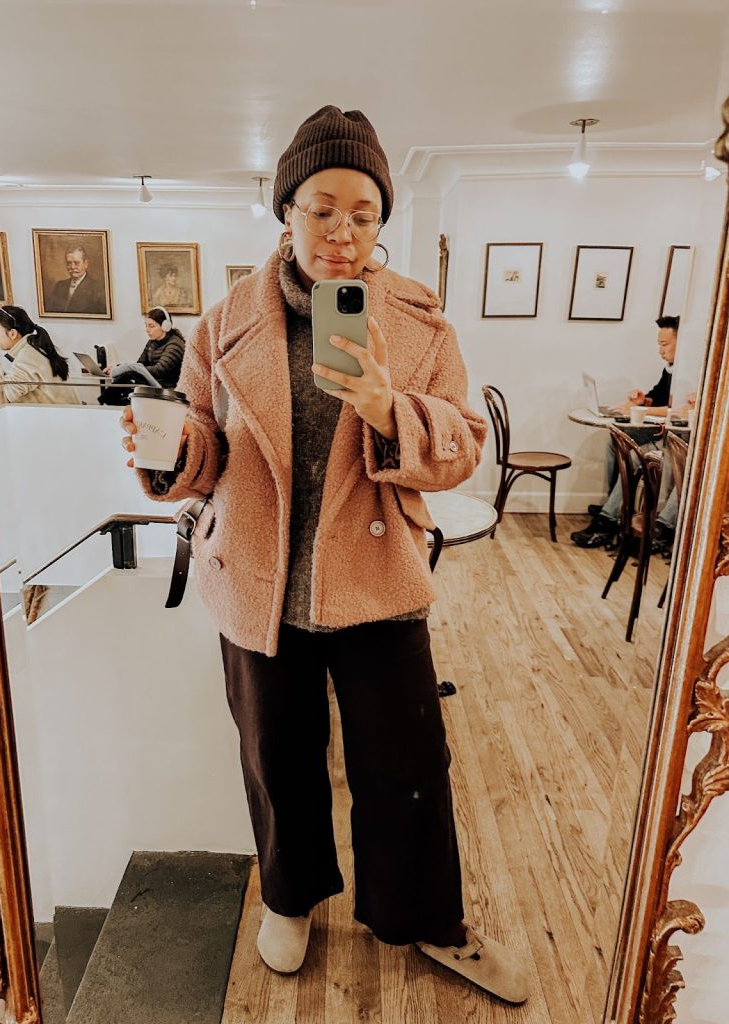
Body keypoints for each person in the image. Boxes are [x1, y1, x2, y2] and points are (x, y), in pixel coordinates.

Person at [118, 106, 528, 1005]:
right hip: (256, 579)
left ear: (382, 223)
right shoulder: (222, 323)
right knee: (277, 758)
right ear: (287, 211)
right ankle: (291, 898)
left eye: (364, 214)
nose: (343, 233)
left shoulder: (421, 324)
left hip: (376, 581)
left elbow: (462, 446)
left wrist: (387, 406)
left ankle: (425, 917)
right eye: (323, 209)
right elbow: (206, 441)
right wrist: (175, 448)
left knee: (408, 763)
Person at [571, 315, 679, 548]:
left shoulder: (690, 375)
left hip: (674, 438)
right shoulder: (670, 370)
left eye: (665, 344)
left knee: (631, 454)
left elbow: (677, 410)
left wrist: (641, 409)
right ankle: (615, 504)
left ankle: (608, 520)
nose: (660, 350)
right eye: (659, 344)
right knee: (615, 442)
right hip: (662, 432)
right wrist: (643, 400)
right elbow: (658, 397)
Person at [0, 305, 80, 405]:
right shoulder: (33, 348)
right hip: (64, 412)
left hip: (59, 414)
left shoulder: (28, 355)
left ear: (13, 334)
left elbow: (3, 398)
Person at [104, 307, 186, 389]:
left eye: (151, 326)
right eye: (146, 326)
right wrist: (118, 368)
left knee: (130, 376)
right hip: (153, 386)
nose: (147, 330)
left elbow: (158, 371)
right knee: (126, 377)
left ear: (165, 326)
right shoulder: (152, 342)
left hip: (168, 390)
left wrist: (128, 369)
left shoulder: (175, 344)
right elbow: (140, 364)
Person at [49, 246, 107, 315]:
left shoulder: (98, 288)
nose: (72, 267)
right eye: (69, 263)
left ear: (86, 264)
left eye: (76, 263)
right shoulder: (59, 286)